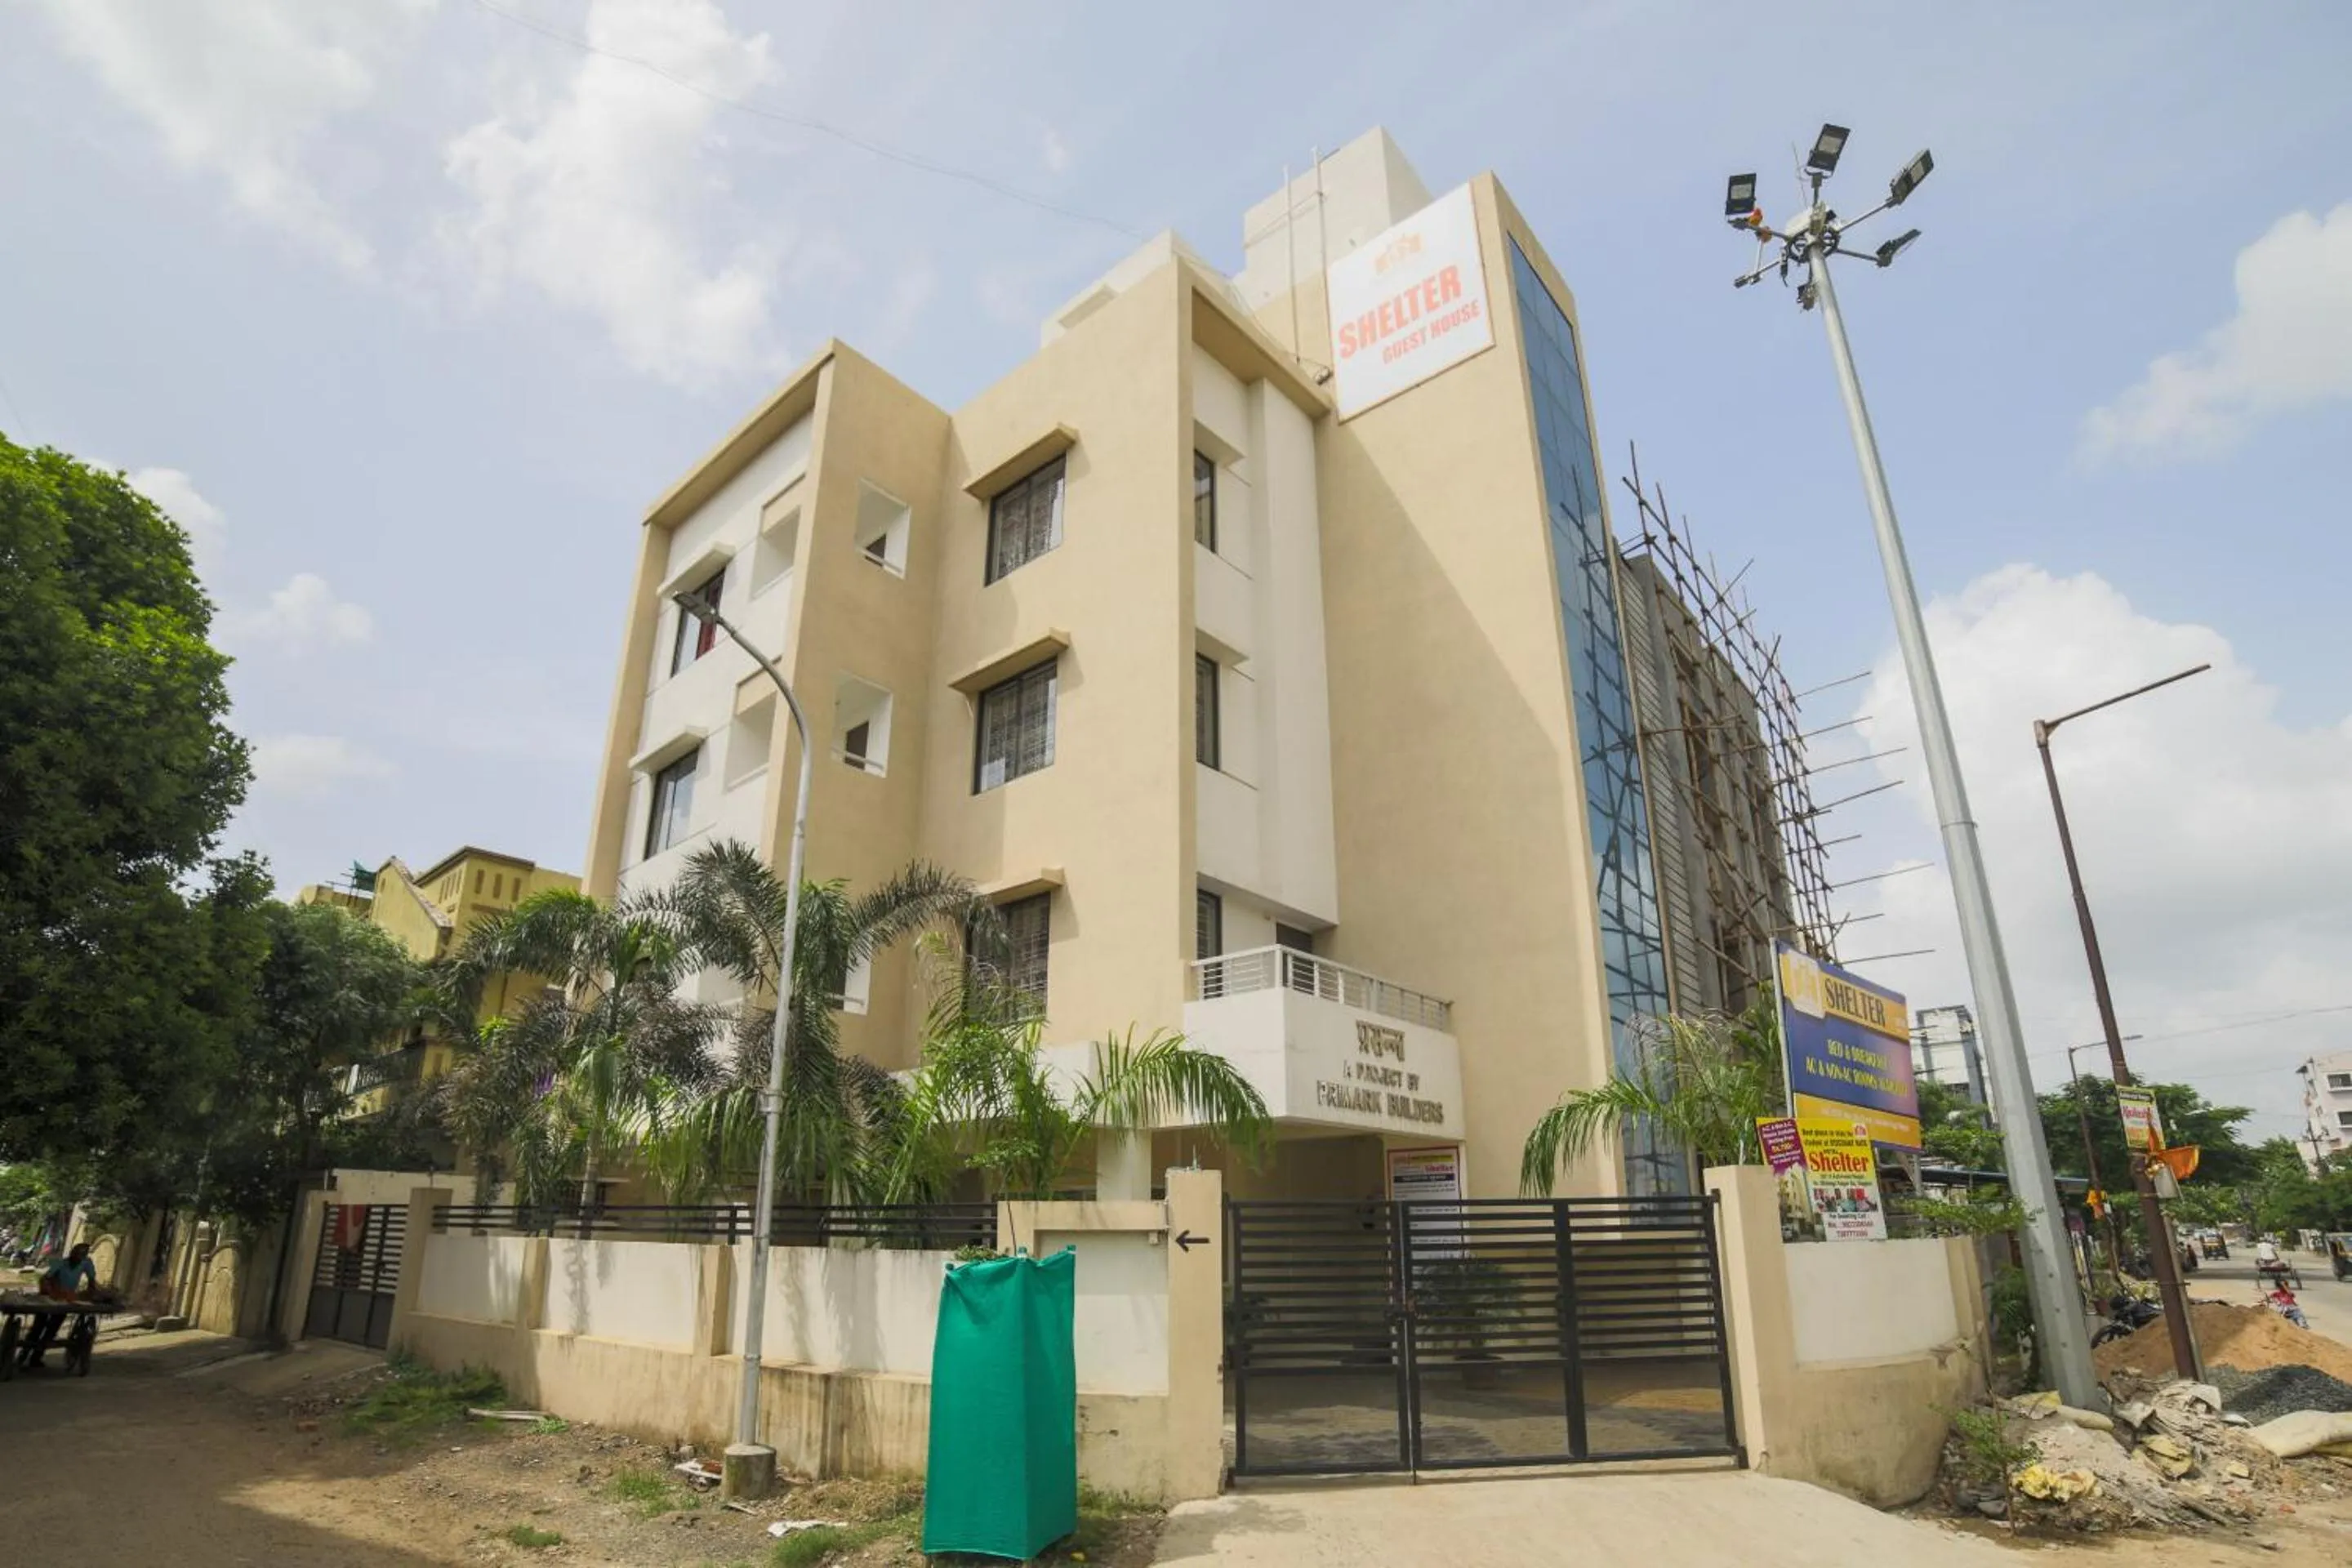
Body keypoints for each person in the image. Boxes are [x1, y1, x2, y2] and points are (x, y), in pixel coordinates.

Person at [20, 1241, 96, 1370]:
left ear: (84, 1257)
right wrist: (52, 1291)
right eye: (75, 1254)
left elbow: (92, 1280)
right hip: (49, 1298)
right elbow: (45, 1278)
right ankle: (23, 1356)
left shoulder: (86, 1263)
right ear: (71, 1253)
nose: (77, 1258)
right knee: (38, 1327)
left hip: (65, 1300)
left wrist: (91, 1293)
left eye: (81, 1256)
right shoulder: (61, 1263)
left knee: (52, 1329)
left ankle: (36, 1357)